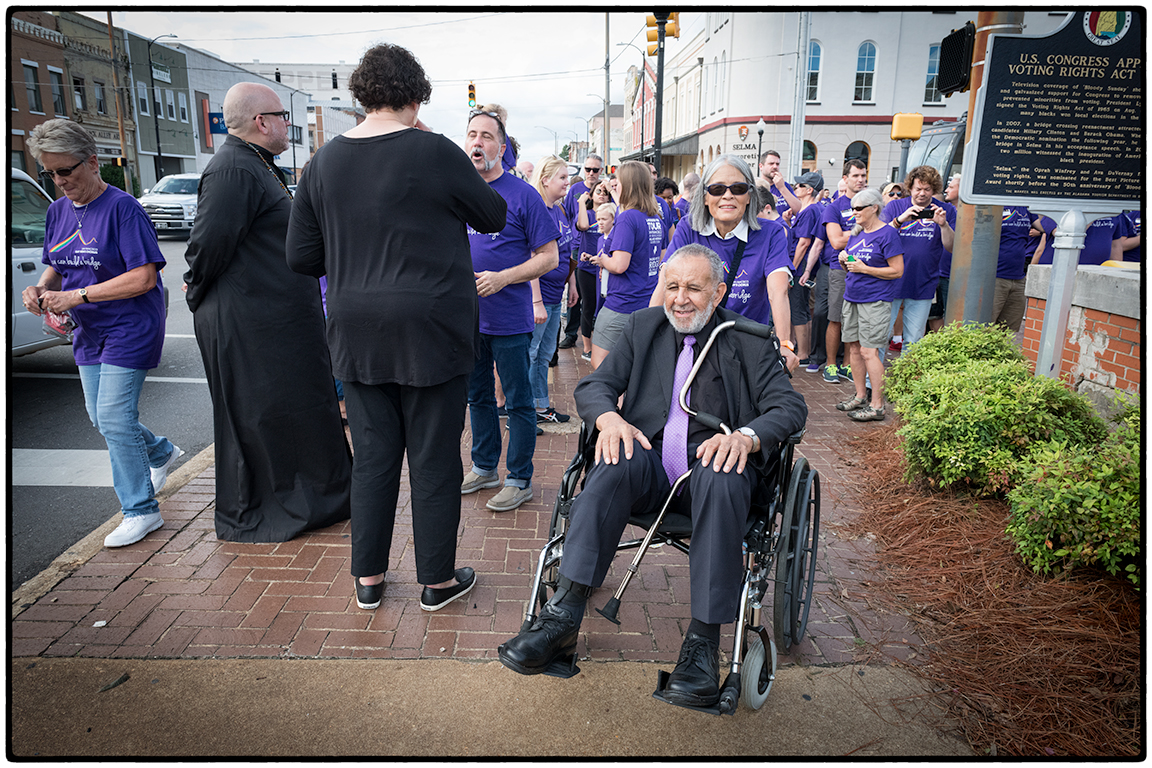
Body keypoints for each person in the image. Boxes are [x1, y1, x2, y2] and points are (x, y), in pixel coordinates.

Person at [497, 244, 808, 706]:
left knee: (723, 472)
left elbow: (790, 407)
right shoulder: (644, 328)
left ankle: (703, 645)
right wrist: (610, 419)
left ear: (719, 291)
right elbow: (596, 385)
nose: (680, 298)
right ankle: (561, 618)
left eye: (693, 288)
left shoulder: (749, 339)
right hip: (650, 467)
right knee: (612, 460)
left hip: (713, 470)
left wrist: (745, 436)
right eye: (672, 286)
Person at [287, 45, 506, 611]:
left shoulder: (324, 161)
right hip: (432, 324)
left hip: (357, 325)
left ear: (362, 95)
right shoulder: (433, 150)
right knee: (433, 456)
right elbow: (493, 215)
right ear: (416, 96)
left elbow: (301, 256)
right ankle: (436, 581)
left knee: (375, 455)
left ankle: (369, 579)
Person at [183, 83, 352, 543]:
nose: (287, 126)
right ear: (261, 121)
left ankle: (313, 499)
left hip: (276, 320)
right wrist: (194, 290)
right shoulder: (232, 170)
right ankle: (275, 508)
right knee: (261, 416)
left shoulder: (258, 165)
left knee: (293, 410)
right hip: (247, 323)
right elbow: (207, 247)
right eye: (283, 117)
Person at [23, 119, 178, 549]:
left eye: (66, 171)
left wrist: (77, 297)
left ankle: (140, 511)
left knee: (112, 416)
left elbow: (144, 278)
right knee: (101, 417)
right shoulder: (58, 210)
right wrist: (41, 288)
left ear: (92, 163)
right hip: (89, 330)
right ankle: (161, 452)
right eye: (50, 173)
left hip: (130, 324)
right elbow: (57, 260)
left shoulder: (123, 208)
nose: (59, 181)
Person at [462, 104, 559, 512]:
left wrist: (504, 278)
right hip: (467, 320)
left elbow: (549, 257)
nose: (478, 142)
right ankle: (485, 467)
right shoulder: (459, 191)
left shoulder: (523, 196)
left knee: (518, 401)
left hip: (509, 320)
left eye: (487, 136)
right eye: (472, 135)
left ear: (502, 147)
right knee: (478, 397)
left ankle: (520, 478)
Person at [654, 155, 797, 370]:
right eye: (718, 189)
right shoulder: (688, 227)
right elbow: (665, 283)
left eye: (738, 188)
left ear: (749, 196)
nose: (727, 196)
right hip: (693, 341)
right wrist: (647, 336)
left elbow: (778, 292)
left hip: (745, 343)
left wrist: (784, 343)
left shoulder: (771, 233)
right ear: (704, 197)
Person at [586, 161, 666, 369]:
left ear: (628, 185)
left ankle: (618, 402)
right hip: (647, 300)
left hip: (622, 303)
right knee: (634, 364)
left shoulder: (627, 217)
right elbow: (662, 258)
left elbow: (620, 265)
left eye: (617, 184)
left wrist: (603, 260)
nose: (615, 188)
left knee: (602, 364)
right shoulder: (655, 217)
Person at [837, 188, 903, 422]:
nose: (854, 212)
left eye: (858, 208)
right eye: (852, 208)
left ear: (874, 208)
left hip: (875, 300)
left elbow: (897, 270)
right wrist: (845, 261)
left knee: (869, 351)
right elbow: (855, 266)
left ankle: (878, 405)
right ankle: (860, 395)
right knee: (854, 348)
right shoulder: (857, 232)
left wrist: (865, 268)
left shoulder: (888, 234)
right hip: (852, 296)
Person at [880, 165, 955, 350]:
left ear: (934, 189)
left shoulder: (946, 210)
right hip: (891, 280)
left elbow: (952, 247)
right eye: (918, 189)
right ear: (910, 188)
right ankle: (872, 380)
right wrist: (900, 220)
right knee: (881, 337)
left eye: (927, 189)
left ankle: (908, 379)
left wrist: (944, 225)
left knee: (914, 340)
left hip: (923, 281)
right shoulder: (896, 206)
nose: (922, 193)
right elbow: (879, 238)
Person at [528, 156, 576, 424]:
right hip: (541, 296)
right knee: (532, 353)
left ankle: (540, 406)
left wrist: (572, 283)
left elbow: (566, 251)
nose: (567, 182)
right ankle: (522, 410)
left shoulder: (559, 210)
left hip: (556, 295)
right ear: (545, 180)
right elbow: (532, 257)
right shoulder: (539, 211)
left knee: (546, 354)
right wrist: (536, 301)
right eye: (562, 177)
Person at [820, 159, 869, 384]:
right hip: (840, 269)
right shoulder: (834, 207)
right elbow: (837, 241)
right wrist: (862, 228)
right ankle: (831, 364)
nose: (860, 180)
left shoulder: (871, 206)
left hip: (867, 268)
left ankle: (848, 365)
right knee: (836, 317)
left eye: (863, 175)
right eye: (856, 175)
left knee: (854, 320)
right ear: (845, 178)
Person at [559, 154, 605, 349]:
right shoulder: (576, 190)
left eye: (595, 170)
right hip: (577, 246)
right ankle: (571, 333)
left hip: (600, 248)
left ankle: (593, 329)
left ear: (601, 171)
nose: (591, 173)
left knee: (594, 294)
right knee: (575, 290)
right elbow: (567, 214)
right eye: (588, 169)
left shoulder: (604, 190)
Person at [791, 172, 828, 373]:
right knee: (801, 307)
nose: (795, 188)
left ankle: (803, 354)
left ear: (809, 189)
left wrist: (792, 267)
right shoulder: (810, 209)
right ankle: (801, 350)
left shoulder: (809, 211)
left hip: (801, 267)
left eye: (799, 185)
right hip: (806, 266)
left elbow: (804, 242)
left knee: (798, 307)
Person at [572, 180, 614, 357]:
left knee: (603, 306)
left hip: (607, 268)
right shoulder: (588, 214)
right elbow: (582, 226)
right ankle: (587, 347)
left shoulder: (614, 214)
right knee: (588, 306)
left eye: (605, 192)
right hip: (587, 267)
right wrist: (582, 202)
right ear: (591, 194)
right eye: (598, 191)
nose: (602, 194)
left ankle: (602, 345)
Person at [991, 206, 1038, 332]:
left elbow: (1044, 226)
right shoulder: (995, 205)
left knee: (1007, 329)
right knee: (985, 327)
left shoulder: (1026, 208)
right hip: (994, 277)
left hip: (1018, 277)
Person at [928, 173, 962, 332]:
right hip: (934, 271)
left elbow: (956, 245)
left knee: (950, 316)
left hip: (951, 273)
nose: (947, 190)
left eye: (951, 187)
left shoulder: (956, 212)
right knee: (932, 315)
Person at [758, 149, 801, 216]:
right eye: (771, 164)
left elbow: (799, 211)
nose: (775, 167)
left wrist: (782, 188)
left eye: (777, 164)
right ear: (761, 166)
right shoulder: (756, 187)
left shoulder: (785, 186)